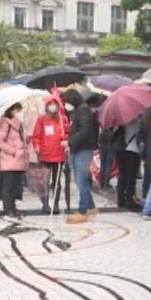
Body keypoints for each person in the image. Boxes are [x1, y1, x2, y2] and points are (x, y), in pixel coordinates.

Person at [63, 90, 99, 224]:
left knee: (81, 180)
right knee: (81, 180)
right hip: (79, 149)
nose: (66, 105)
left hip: (83, 150)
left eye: (66, 102)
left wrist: (70, 142)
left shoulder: (83, 111)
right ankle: (91, 207)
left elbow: (84, 131)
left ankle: (83, 211)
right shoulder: (79, 110)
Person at [32, 98, 70, 214]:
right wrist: (37, 146)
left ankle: (56, 204)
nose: (52, 106)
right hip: (45, 154)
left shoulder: (63, 119)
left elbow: (68, 133)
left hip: (59, 154)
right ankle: (45, 203)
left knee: (57, 182)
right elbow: (36, 135)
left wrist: (67, 140)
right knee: (45, 181)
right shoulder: (42, 119)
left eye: (55, 104)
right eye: (50, 104)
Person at [0, 103, 29, 219]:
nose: (20, 112)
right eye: (18, 110)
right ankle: (7, 209)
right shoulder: (6, 124)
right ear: (12, 110)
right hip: (10, 159)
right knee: (8, 185)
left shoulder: (19, 125)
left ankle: (13, 207)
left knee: (15, 185)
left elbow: (21, 140)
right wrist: (14, 151)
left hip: (20, 159)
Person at [114, 118, 142, 211]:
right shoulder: (138, 121)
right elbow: (140, 135)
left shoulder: (122, 120)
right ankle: (129, 200)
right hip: (133, 151)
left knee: (122, 175)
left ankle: (120, 199)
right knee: (131, 176)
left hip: (121, 149)